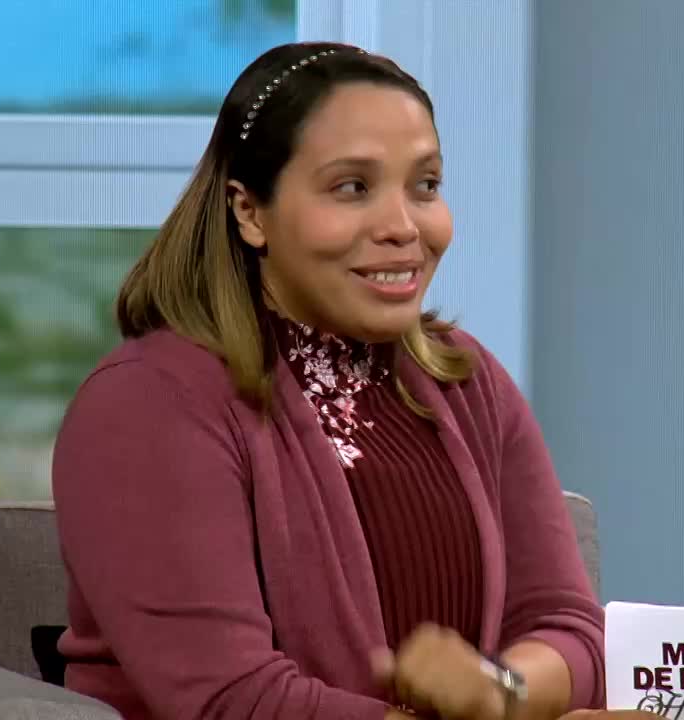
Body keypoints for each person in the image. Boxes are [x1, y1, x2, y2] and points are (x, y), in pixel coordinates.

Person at [51, 41, 605, 720]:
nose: (404, 227)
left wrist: (501, 692)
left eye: (425, 185)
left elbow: (569, 629)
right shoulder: (147, 403)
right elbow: (235, 704)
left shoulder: (470, 380)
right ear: (250, 211)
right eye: (353, 188)